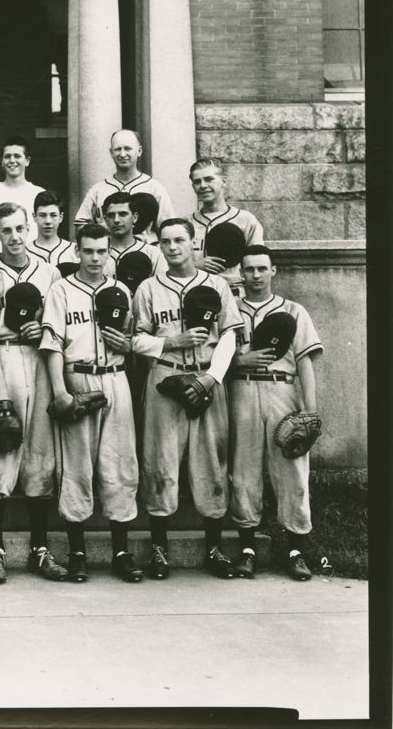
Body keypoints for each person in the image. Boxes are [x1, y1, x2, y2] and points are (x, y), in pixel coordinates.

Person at [131, 218, 241, 580]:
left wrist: (213, 377)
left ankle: (213, 549)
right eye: (166, 241)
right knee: (159, 461)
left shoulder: (216, 285)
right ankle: (159, 551)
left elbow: (229, 336)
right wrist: (170, 342)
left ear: (195, 243)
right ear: (159, 247)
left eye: (180, 240)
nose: (173, 247)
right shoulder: (149, 287)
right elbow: (136, 340)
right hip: (166, 373)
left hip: (207, 373)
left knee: (211, 460)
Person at [41, 224, 143, 583]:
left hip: (114, 377)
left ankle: (120, 552)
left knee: (120, 463)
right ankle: (78, 553)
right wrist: (60, 391)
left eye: (102, 251)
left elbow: (131, 341)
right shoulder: (61, 290)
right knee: (77, 468)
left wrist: (127, 342)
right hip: (78, 377)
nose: (96, 258)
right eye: (89, 251)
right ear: (77, 253)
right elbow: (52, 343)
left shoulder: (120, 290)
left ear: (109, 253)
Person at [0, 202, 63, 584]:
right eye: (6, 230)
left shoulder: (50, 271)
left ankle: (40, 551)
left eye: (20, 228)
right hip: (2, 364)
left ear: (31, 228)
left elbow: (55, 324)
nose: (14, 236)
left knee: (40, 457)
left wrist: (40, 327)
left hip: (38, 361)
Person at [229, 245, 323, 581]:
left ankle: (296, 550)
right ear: (241, 272)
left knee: (292, 470)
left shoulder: (293, 310)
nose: (255, 275)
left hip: (282, 390)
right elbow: (218, 358)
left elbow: (304, 362)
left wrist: (310, 412)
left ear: (273, 271)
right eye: (249, 269)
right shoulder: (230, 309)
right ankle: (247, 549)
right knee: (243, 470)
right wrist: (237, 361)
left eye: (261, 269)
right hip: (241, 389)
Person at [74, 129, 175, 243]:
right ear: (111, 153)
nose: (122, 154)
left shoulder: (154, 187)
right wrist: (103, 230)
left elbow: (169, 228)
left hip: (144, 254)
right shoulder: (98, 189)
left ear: (139, 151)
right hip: (108, 254)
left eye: (127, 149)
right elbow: (80, 227)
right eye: (117, 149)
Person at [189, 157, 265, 297]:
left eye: (209, 179)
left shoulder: (245, 220)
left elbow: (258, 265)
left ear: (223, 181)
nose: (203, 185)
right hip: (195, 295)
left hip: (234, 294)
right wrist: (194, 266)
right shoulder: (186, 223)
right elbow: (170, 265)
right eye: (197, 182)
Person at [0, 136, 45, 240]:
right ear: (2, 161)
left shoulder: (39, 193)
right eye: (7, 156)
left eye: (17, 156)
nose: (12, 160)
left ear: (27, 161)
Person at [102, 190, 166, 275]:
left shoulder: (153, 253)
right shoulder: (95, 252)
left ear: (135, 217)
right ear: (105, 220)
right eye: (111, 215)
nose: (116, 220)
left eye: (123, 214)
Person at [26, 190, 79, 269]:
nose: (48, 221)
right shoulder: (25, 253)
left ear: (61, 217)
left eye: (53, 215)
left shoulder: (75, 251)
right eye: (42, 215)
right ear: (34, 217)